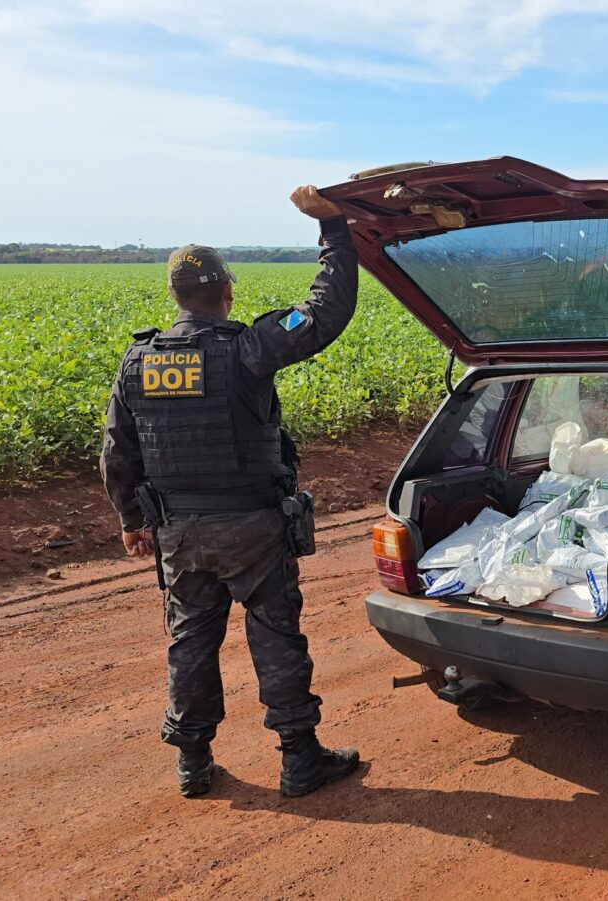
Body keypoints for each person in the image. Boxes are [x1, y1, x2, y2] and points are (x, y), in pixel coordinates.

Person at [100, 186, 362, 799]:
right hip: (253, 528)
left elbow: (118, 448)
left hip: (179, 533)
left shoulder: (139, 360)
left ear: (174, 296)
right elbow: (324, 313)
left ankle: (193, 765)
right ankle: (300, 760)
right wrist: (335, 233)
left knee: (190, 641)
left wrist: (132, 519)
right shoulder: (247, 348)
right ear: (227, 292)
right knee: (275, 635)